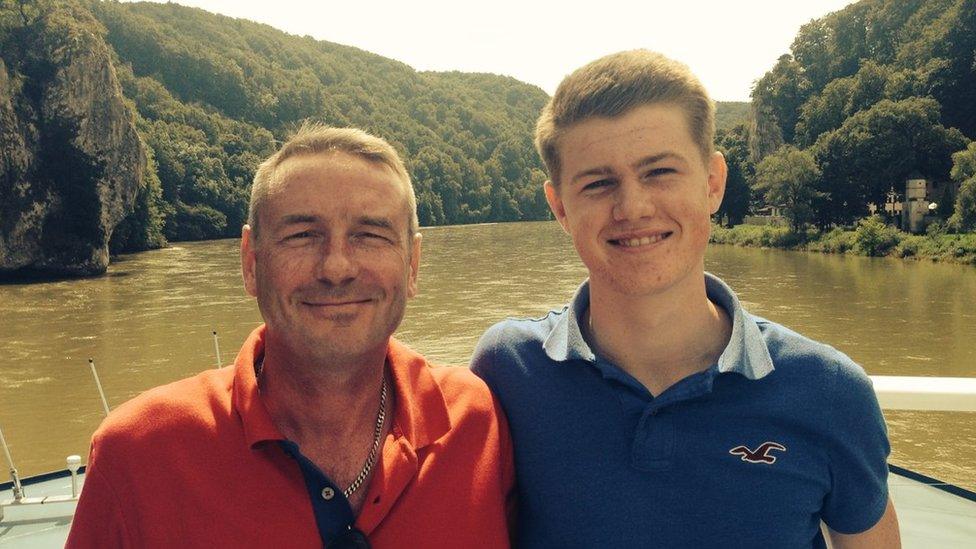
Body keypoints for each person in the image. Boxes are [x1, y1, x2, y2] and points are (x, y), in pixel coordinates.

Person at [471, 50, 900, 548]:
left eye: (660, 172)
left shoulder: (826, 391)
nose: (632, 206)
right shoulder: (508, 370)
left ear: (713, 184)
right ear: (561, 207)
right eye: (598, 182)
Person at [67, 125, 514, 548]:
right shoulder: (140, 454)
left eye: (370, 235)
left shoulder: (474, 422)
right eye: (302, 235)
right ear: (250, 262)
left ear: (412, 264)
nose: (336, 267)